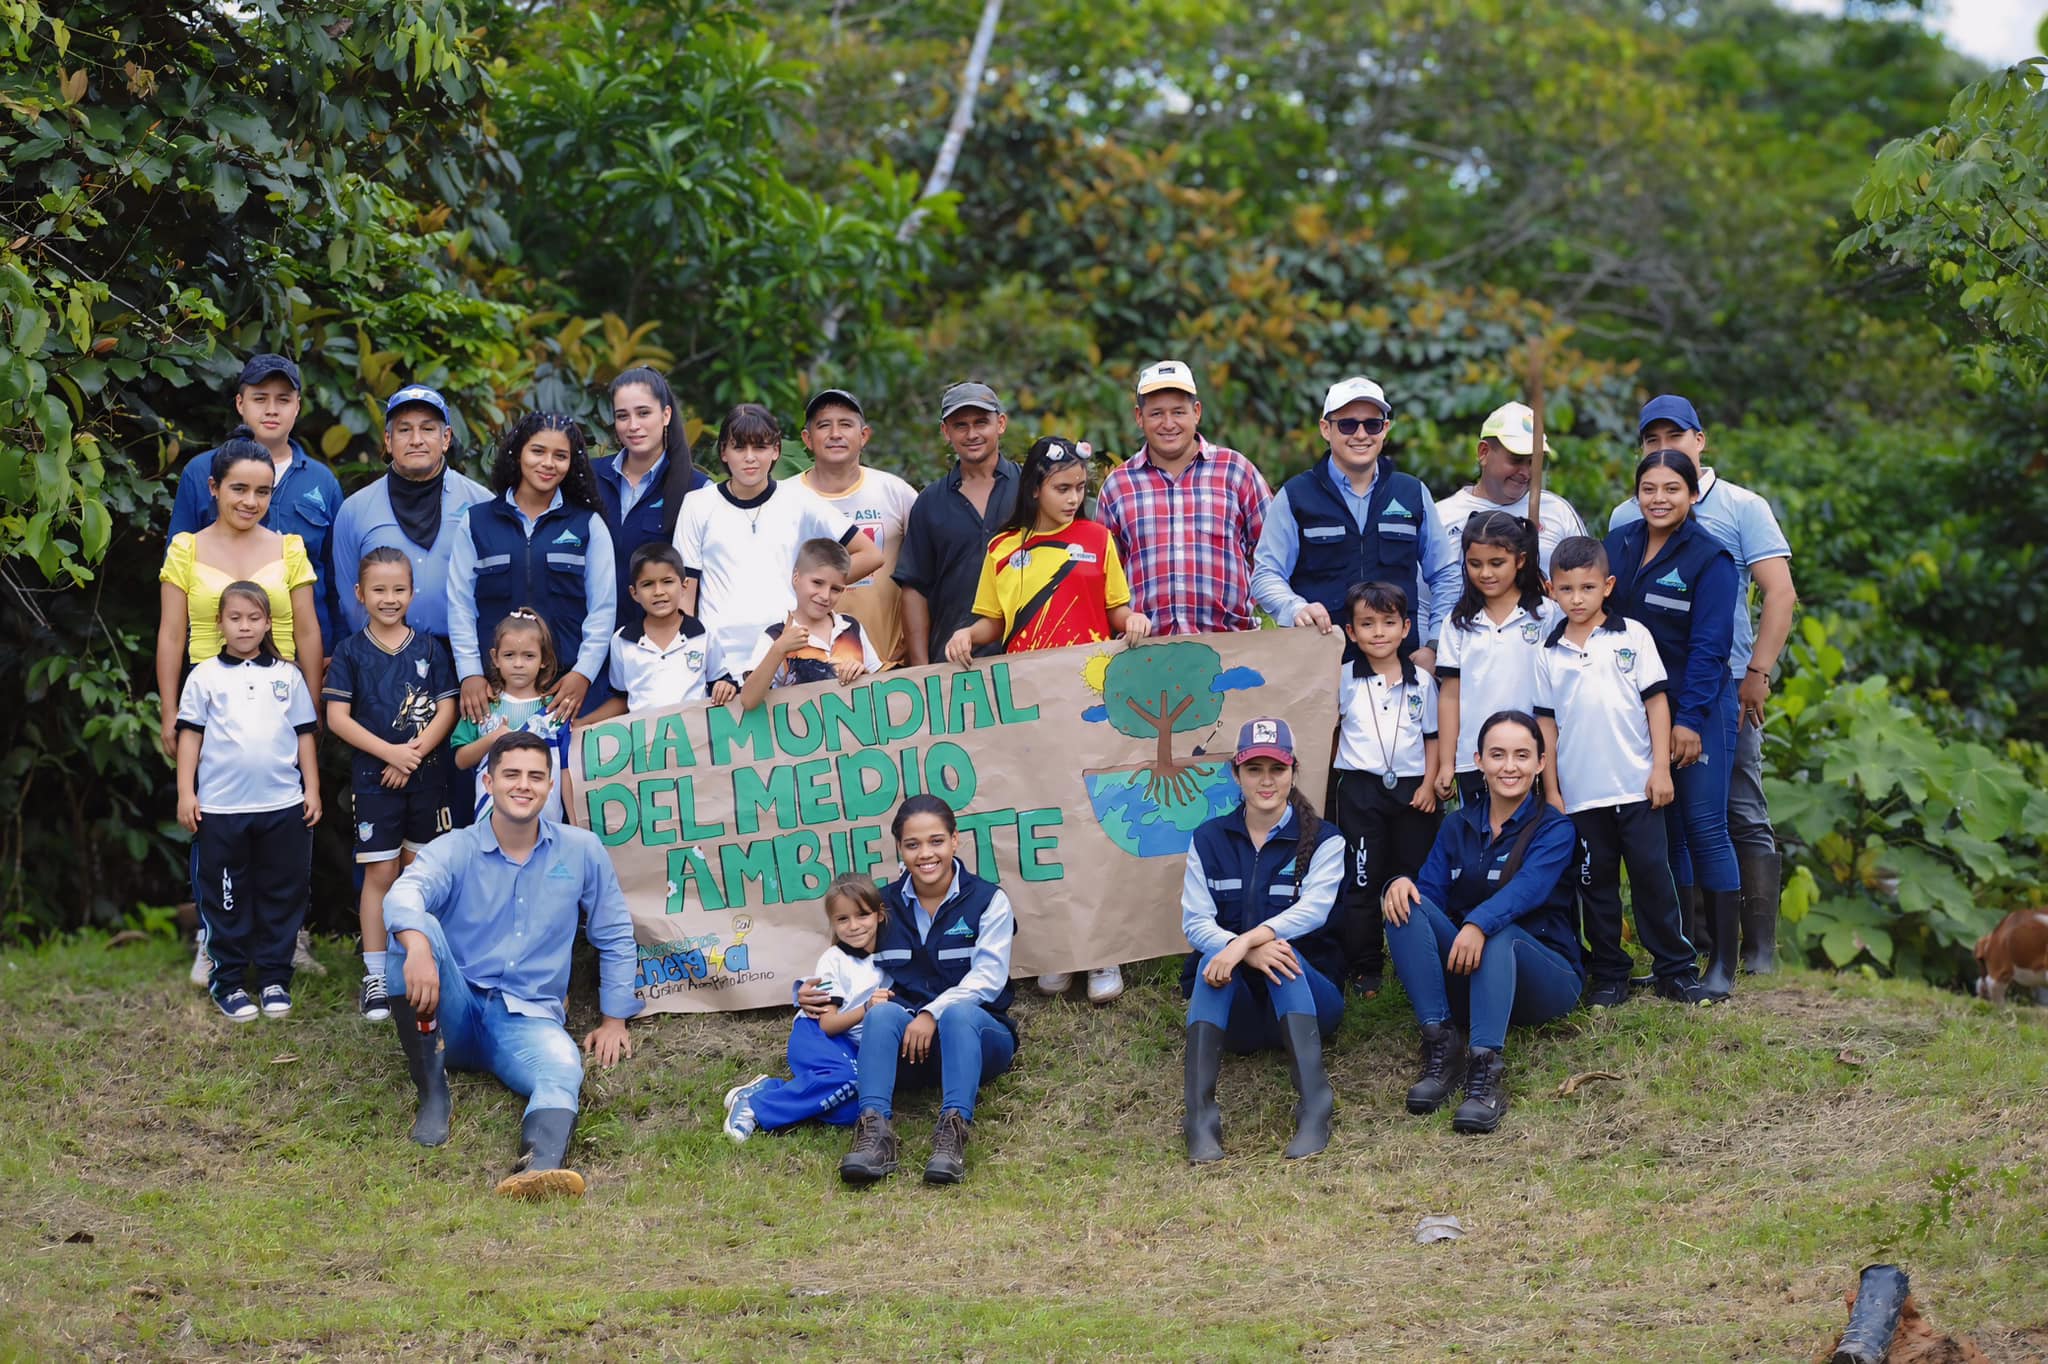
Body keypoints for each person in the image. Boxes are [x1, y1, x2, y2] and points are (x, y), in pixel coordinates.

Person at [381, 730, 640, 1200]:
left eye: (536, 777)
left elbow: (615, 932)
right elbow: (404, 892)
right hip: (450, 1010)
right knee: (413, 930)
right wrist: (418, 947)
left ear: (548, 786)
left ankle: (537, 1169)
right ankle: (433, 1091)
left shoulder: (581, 850)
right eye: (512, 774)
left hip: (528, 1017)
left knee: (563, 1069)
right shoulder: (456, 847)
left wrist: (614, 1017)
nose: (524, 785)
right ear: (489, 782)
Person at [944, 435, 1152, 1004]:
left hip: (1086, 700)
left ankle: (1104, 951)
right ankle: (1058, 948)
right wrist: (966, 633)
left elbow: (1115, 609)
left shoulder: (1098, 538)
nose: (1072, 498)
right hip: (1027, 704)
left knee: (1092, 819)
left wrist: (1132, 619)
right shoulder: (1002, 548)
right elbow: (992, 621)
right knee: (1042, 821)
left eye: (1080, 488)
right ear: (1034, 487)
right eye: (1062, 488)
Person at [1611, 395, 1798, 975]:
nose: (1663, 447)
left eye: (1676, 434)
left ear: (1701, 440)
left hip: (1720, 684)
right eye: (1651, 438)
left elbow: (1779, 595)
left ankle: (1753, 952)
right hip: (1646, 696)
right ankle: (1685, 950)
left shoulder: (1735, 514)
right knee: (1669, 822)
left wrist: (1756, 674)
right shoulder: (1624, 523)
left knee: (1727, 812)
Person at [1381, 710, 1583, 1135]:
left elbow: (1525, 891)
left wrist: (1476, 923)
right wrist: (1399, 884)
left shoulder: (1555, 828)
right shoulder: (1456, 825)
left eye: (1522, 755)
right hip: (1470, 978)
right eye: (1498, 755)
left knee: (1499, 930)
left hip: (1544, 979)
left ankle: (1485, 1071)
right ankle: (1442, 1044)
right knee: (1404, 899)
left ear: (1540, 764)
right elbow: (1430, 897)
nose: (1509, 766)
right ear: (1479, 761)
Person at [1535, 536, 1717, 1007]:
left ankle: (1675, 969)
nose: (1577, 599)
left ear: (1608, 586)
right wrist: (1551, 790)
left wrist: (1661, 770)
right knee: (1596, 887)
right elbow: (1546, 725)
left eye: (1588, 588)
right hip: (1580, 795)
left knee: (1653, 878)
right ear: (1551, 589)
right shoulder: (1546, 652)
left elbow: (1656, 704)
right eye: (1567, 589)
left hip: (1636, 788)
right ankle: (1610, 973)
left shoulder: (1633, 636)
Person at [824, 795, 1017, 1187]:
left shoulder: (988, 901)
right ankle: (875, 1133)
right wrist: (816, 995)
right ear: (899, 848)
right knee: (880, 1011)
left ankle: (953, 1133)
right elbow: (847, 958)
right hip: (909, 1047)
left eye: (936, 841)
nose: (926, 854)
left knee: (960, 1012)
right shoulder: (883, 904)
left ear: (955, 841)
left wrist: (933, 1013)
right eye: (913, 845)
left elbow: (988, 979)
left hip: (979, 1041)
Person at [1606, 451, 1743, 996]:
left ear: (1691, 494)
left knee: (1706, 829)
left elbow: (1712, 648)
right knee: (1669, 836)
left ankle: (1724, 965)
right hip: (1638, 708)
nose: (1659, 499)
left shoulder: (1711, 558)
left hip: (1700, 709)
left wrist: (1688, 721)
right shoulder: (1619, 544)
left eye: (1671, 489)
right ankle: (1677, 963)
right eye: (1648, 488)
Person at [1179, 718, 1345, 1163]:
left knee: (1279, 953)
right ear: (1236, 774)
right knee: (1212, 969)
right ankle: (1199, 1119)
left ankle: (1315, 1108)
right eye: (1254, 769)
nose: (1267, 780)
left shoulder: (1326, 840)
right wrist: (1241, 952)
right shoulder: (1208, 838)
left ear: (1294, 772)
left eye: (1278, 768)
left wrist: (1244, 943)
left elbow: (1312, 911)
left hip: (1310, 1000)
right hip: (1240, 1016)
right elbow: (1195, 921)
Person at [322, 547, 460, 1022]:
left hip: (427, 779)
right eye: (378, 590)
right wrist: (391, 753)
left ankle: (423, 968)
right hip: (374, 780)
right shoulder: (349, 651)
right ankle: (377, 977)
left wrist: (414, 753)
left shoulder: (428, 647)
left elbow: (447, 709)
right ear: (361, 594)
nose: (389, 598)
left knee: (419, 875)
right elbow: (336, 717)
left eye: (398, 589)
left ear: (412, 592)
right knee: (381, 876)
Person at [174, 581, 322, 1022]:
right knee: (226, 898)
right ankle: (231, 981)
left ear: (268, 623)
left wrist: (311, 789)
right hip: (220, 810)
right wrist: (186, 792)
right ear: (219, 623)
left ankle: (275, 977)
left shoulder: (287, 676)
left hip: (282, 806)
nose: (244, 626)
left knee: (283, 893)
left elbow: (304, 736)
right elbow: (189, 737)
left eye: (254, 618)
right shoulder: (204, 676)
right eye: (235, 618)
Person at [1252, 376, 1460, 665]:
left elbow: (1447, 575)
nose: (1361, 434)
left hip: (1401, 667)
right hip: (1318, 666)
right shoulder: (1295, 496)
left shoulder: (1412, 493)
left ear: (1385, 429)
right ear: (1326, 429)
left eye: (1372, 424)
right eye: (1348, 424)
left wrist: (1436, 644)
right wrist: (1295, 608)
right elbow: (1265, 575)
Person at [672, 403, 883, 675]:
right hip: (720, 663)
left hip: (790, 656)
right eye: (739, 447)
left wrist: (817, 589)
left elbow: (871, 554)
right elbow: (685, 597)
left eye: (760, 447)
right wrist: (691, 662)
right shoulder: (697, 504)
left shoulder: (799, 499)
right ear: (723, 452)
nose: (750, 457)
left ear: (776, 451)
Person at [157, 431, 324, 760]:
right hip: (208, 700)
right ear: (213, 488)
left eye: (262, 492)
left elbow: (307, 631)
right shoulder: (185, 550)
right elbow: (172, 634)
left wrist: (313, 706)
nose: (251, 502)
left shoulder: (289, 549)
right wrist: (169, 710)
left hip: (281, 698)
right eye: (239, 489)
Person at [166, 353, 346, 649]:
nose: (272, 410)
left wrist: (335, 648)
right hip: (217, 653)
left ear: (298, 406)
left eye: (284, 400)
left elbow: (336, 575)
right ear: (240, 404)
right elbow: (175, 574)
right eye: (260, 399)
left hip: (305, 650)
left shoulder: (322, 481)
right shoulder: (201, 472)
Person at [449, 413, 616, 723]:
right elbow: (460, 606)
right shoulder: (476, 522)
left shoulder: (588, 525)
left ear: (573, 463)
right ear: (518, 453)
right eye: (538, 451)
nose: (548, 463)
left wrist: (584, 674)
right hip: (493, 691)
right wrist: (469, 673)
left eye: (560, 456)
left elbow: (603, 610)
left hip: (565, 690)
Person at [1097, 360, 1272, 637]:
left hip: (1231, 647)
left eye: (1178, 412)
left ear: (1197, 412)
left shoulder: (1236, 471)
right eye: (1156, 414)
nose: (1168, 424)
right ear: (1139, 417)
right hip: (1144, 654)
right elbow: (1105, 580)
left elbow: (1272, 557)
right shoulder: (1118, 486)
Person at [722, 872, 894, 1143]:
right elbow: (828, 1024)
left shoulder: (892, 954)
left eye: (862, 915)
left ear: (879, 915)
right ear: (833, 924)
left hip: (850, 1043)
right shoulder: (833, 960)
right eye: (842, 919)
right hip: (816, 1032)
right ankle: (755, 1107)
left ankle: (771, 1090)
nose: (854, 926)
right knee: (848, 1077)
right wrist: (868, 1008)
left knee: (850, 1112)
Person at [1330, 581, 1440, 997]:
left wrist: (1430, 784)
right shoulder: (1342, 679)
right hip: (1360, 791)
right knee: (1362, 879)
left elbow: (1431, 737)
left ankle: (1421, 959)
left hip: (1414, 792)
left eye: (1389, 622)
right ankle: (1366, 967)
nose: (1379, 632)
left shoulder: (1422, 682)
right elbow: (1329, 729)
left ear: (1406, 627)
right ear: (1352, 632)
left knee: (1415, 877)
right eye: (1368, 624)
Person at [331, 385, 491, 645]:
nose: (416, 439)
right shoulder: (354, 510)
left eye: (428, 429)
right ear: (388, 440)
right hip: (382, 660)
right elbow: (349, 600)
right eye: (404, 430)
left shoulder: (481, 504)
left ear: (447, 438)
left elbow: (494, 590)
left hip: (462, 660)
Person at [1433, 512, 1560, 809]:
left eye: (1496, 563)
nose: (1485, 573)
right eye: (1475, 564)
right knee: (1481, 843)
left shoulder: (1547, 614)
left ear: (1520, 560)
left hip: (1533, 757)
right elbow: (1450, 696)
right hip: (1475, 759)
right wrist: (1446, 763)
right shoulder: (1458, 622)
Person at [894, 382, 1021, 666]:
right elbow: (915, 588)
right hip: (955, 664)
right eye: (961, 425)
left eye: (981, 422)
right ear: (945, 432)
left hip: (1030, 656)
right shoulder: (929, 502)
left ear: (1000, 424)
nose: (972, 434)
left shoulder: (1031, 489)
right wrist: (921, 670)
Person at [797, 389, 918, 667]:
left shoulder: (896, 492)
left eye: (846, 424)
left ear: (864, 436)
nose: (835, 433)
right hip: (808, 670)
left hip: (888, 665)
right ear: (807, 439)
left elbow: (930, 565)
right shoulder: (787, 498)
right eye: (824, 425)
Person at [594, 367, 707, 640]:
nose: (633, 425)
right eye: (622, 416)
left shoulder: (697, 490)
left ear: (666, 415)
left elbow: (696, 583)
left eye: (644, 413)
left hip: (657, 650)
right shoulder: (589, 478)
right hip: (590, 642)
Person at [1435, 400, 1588, 577]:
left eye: (1533, 462)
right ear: (1483, 452)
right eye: (1516, 459)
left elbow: (1588, 580)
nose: (1525, 472)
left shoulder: (1557, 510)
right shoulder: (1442, 517)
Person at [730, 539, 883, 711]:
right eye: (817, 583)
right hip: (800, 735)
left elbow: (880, 690)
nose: (825, 595)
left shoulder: (851, 626)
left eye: (836, 589)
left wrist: (862, 674)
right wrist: (779, 650)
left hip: (853, 735)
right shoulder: (776, 636)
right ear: (796, 577)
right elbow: (748, 700)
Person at [452, 611, 571, 824]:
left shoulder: (555, 710)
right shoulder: (483, 706)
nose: (518, 664)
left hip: (546, 823)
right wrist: (493, 738)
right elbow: (461, 760)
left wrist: (576, 821)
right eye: (509, 655)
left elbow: (566, 770)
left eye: (529, 656)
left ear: (544, 659)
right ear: (495, 658)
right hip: (491, 823)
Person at [585, 544, 714, 720]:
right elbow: (622, 698)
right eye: (647, 584)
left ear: (684, 586)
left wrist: (725, 686)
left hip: (695, 742)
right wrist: (584, 723)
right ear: (634, 593)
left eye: (667, 582)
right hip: (645, 744)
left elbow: (719, 684)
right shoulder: (623, 640)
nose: (658, 592)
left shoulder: (703, 634)